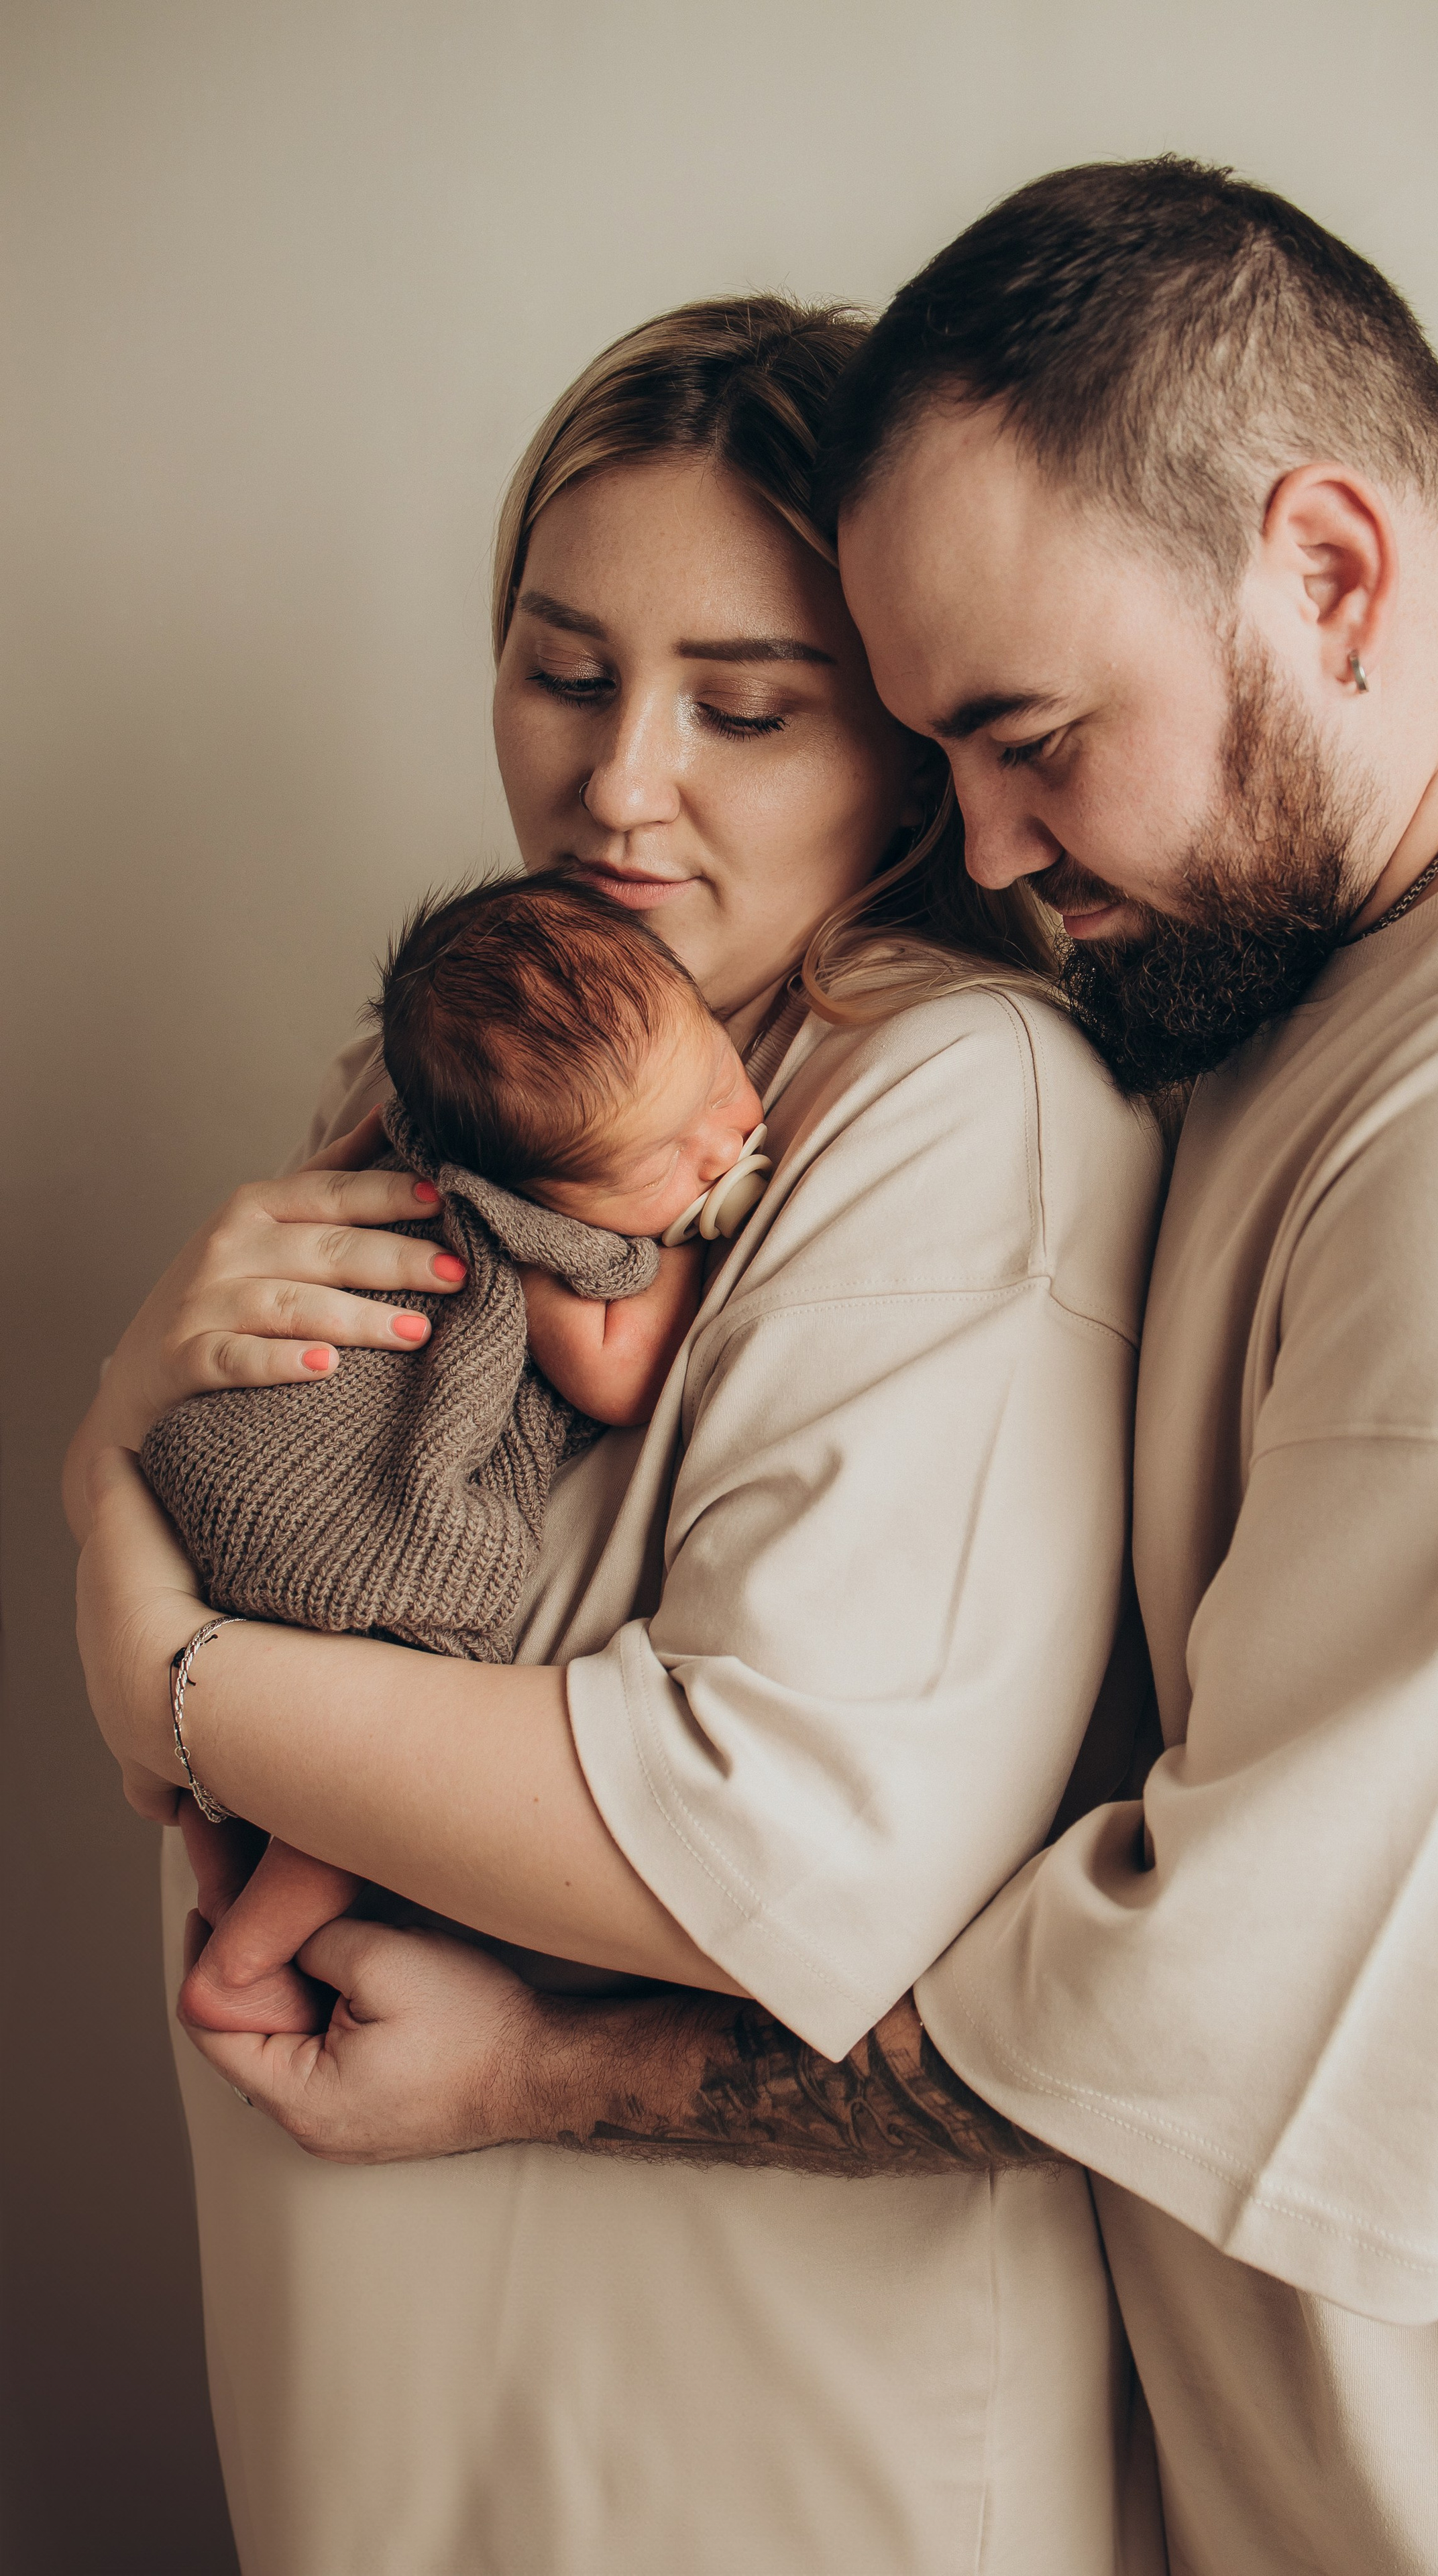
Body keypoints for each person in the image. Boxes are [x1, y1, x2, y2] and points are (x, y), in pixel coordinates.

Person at [93, 159, 1438, 2573]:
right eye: (941, 747)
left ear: (1335, 577)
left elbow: (1153, 1969)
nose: (990, 841)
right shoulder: (1274, 948)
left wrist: (202, 1692)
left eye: (1021, 736)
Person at [69, 295, 1166, 2576]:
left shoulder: (954, 1106)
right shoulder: (457, 1085)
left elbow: (771, 1836)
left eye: (743, 708)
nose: (616, 782)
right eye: (565, 674)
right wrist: (115, 1442)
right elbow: (320, 1520)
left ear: (902, 747)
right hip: (403, 2379)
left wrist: (164, 1666)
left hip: (736, 2425)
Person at [152, 871, 768, 2036]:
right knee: (351, 1783)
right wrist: (697, 1246)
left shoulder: (464, 1129)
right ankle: (241, 1961)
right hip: (341, 1495)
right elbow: (618, 1372)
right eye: (659, 1161)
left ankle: (223, 1872)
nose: (717, 1145)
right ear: (538, 1185)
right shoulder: (522, 1227)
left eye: (719, 1081)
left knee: (237, 1758)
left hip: (240, 1464)